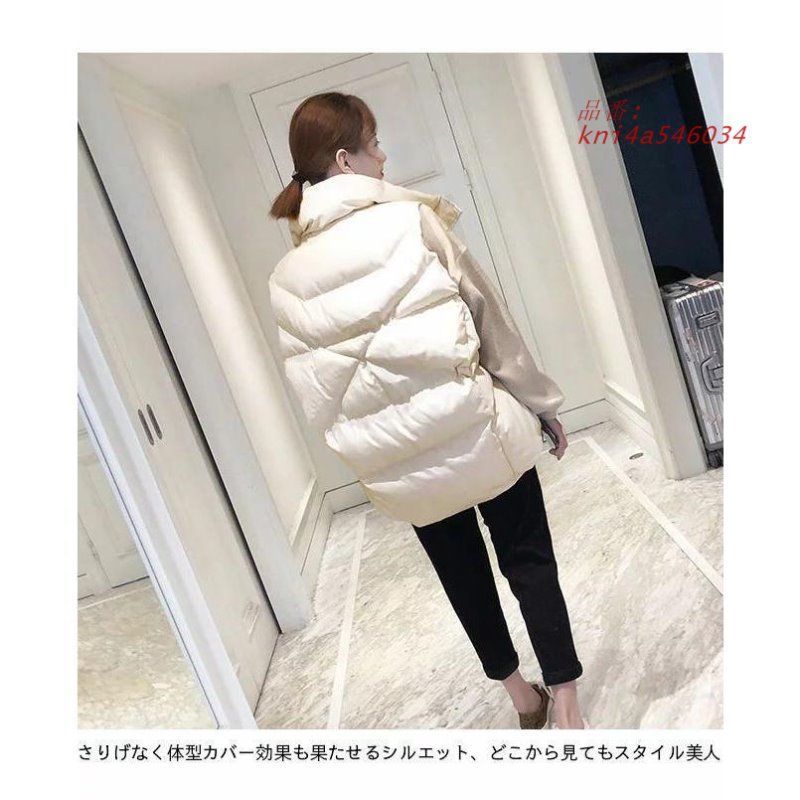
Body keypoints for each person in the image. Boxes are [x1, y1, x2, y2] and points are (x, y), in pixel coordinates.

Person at [268, 91, 587, 729]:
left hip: (397, 459)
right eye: (374, 144)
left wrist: (371, 453)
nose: (383, 157)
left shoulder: (286, 277)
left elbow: (316, 391)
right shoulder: (410, 220)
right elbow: (488, 318)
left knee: (461, 576)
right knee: (527, 558)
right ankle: (571, 711)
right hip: (478, 427)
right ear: (344, 160)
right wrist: (540, 402)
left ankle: (523, 700)